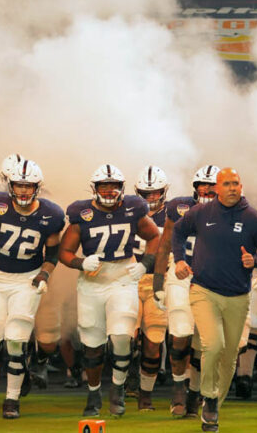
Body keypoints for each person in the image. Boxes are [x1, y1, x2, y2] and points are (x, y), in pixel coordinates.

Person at [0, 159, 66, 419]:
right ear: (10, 185)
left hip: (26, 279)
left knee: (16, 339)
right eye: (19, 185)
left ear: (37, 187)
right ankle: (11, 373)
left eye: (28, 186)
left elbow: (52, 254)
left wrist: (44, 275)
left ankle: (12, 400)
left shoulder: (52, 214)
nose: (24, 191)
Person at [170, 167, 257, 432]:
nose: (232, 188)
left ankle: (216, 402)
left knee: (230, 356)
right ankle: (208, 397)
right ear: (216, 188)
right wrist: (180, 260)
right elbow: (178, 232)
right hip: (203, 291)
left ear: (242, 187)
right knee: (213, 345)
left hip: (238, 296)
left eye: (236, 183)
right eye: (227, 183)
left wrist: (256, 260)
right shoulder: (200, 213)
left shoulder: (253, 218)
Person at [58, 165, 161, 418]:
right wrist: (80, 262)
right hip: (92, 282)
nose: (109, 190)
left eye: (114, 185)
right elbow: (64, 252)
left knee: (123, 336)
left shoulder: (133, 208)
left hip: (122, 278)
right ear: (94, 189)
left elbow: (155, 237)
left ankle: (118, 388)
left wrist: (146, 264)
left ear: (121, 188)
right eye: (104, 185)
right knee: (92, 345)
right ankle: (94, 392)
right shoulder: (81, 213)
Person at [153, 165, 219, 417]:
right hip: (180, 275)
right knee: (180, 334)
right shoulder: (179, 207)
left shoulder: (233, 212)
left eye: (212, 186)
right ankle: (179, 387)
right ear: (195, 186)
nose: (206, 189)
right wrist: (158, 283)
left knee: (204, 342)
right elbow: (165, 244)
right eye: (202, 185)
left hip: (212, 280)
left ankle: (194, 391)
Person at [131, 165, 169, 411]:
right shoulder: (127, 211)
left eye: (155, 192)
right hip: (129, 280)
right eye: (146, 193)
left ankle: (145, 393)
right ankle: (122, 382)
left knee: (154, 342)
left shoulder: (175, 214)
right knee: (123, 338)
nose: (151, 198)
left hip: (159, 280)